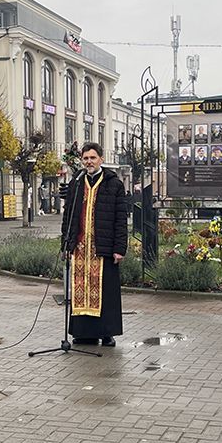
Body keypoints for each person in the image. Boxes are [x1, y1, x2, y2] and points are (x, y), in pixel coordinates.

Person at [61, 142, 127, 348]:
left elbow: (121, 218)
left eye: (93, 158)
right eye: (86, 158)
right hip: (80, 247)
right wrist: (65, 243)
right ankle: (83, 333)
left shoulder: (114, 184)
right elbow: (68, 216)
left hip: (103, 247)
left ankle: (107, 333)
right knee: (81, 290)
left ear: (101, 159)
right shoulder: (77, 182)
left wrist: (119, 248)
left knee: (105, 291)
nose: (89, 162)